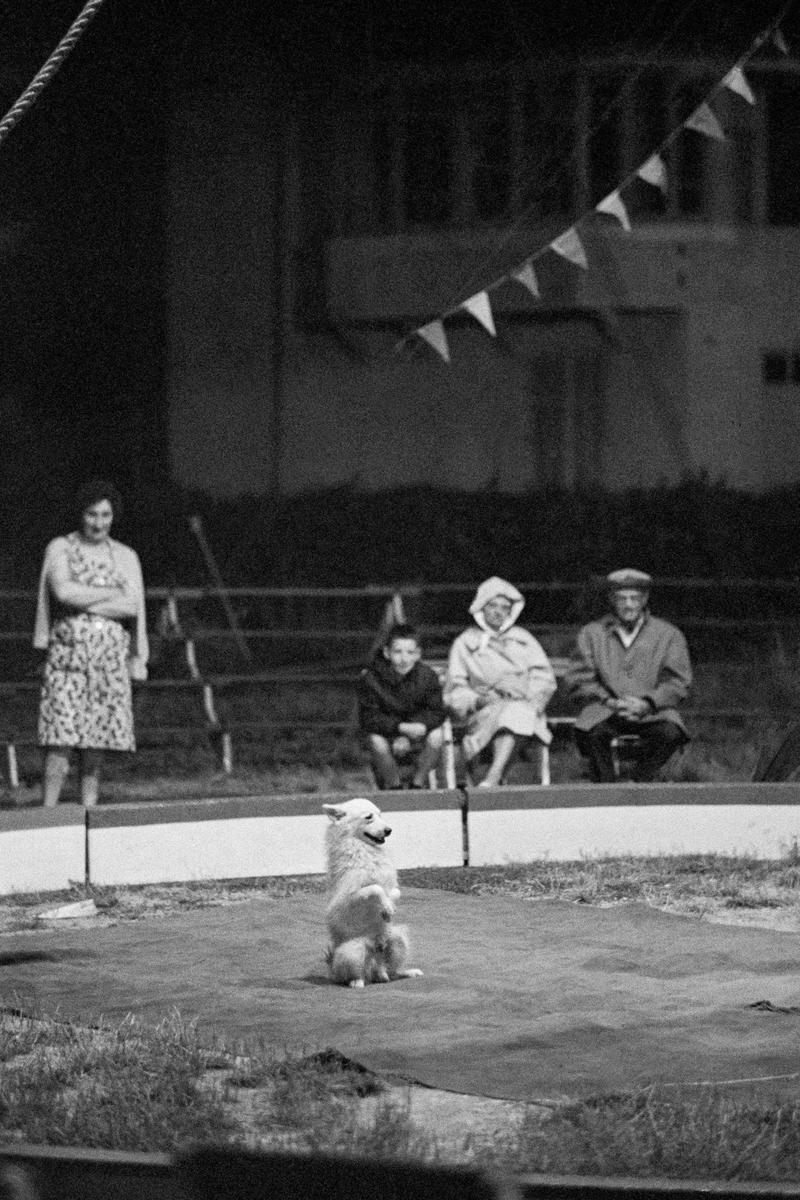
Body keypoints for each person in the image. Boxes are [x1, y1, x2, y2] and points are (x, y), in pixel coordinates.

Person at [33, 480, 149, 807]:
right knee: (60, 740)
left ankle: (89, 816)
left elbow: (132, 606)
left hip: (108, 662)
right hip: (67, 661)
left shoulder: (125, 556)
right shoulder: (60, 548)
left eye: (105, 515)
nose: (98, 523)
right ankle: (49, 817)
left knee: (95, 745)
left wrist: (85, 599)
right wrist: (111, 596)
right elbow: (63, 591)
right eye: (91, 514)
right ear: (81, 515)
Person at [564, 568, 692, 783]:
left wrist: (647, 703)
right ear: (611, 600)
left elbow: (677, 681)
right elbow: (579, 678)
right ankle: (606, 788)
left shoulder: (668, 634)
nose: (628, 605)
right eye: (621, 598)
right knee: (593, 734)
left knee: (671, 733)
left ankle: (638, 781)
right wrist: (610, 701)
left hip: (652, 711)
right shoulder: (592, 633)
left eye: (634, 598)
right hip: (606, 708)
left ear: (644, 600)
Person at [444, 577, 556, 787]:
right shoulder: (465, 643)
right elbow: (455, 688)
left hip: (525, 706)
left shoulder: (524, 639)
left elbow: (544, 678)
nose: (498, 612)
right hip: (484, 712)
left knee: (518, 713)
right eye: (492, 605)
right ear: (481, 608)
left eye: (505, 607)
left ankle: (493, 776)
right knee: (513, 716)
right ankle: (495, 777)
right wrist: (480, 699)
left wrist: (524, 695)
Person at [357, 622, 446, 790]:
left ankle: (417, 784)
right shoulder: (371, 679)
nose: (404, 659)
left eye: (410, 652)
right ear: (387, 653)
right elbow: (369, 717)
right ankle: (394, 786)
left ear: (418, 654)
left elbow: (436, 711)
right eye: (397, 652)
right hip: (386, 732)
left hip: (418, 730)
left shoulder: (428, 676)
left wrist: (417, 728)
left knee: (437, 736)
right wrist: (399, 729)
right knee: (376, 742)